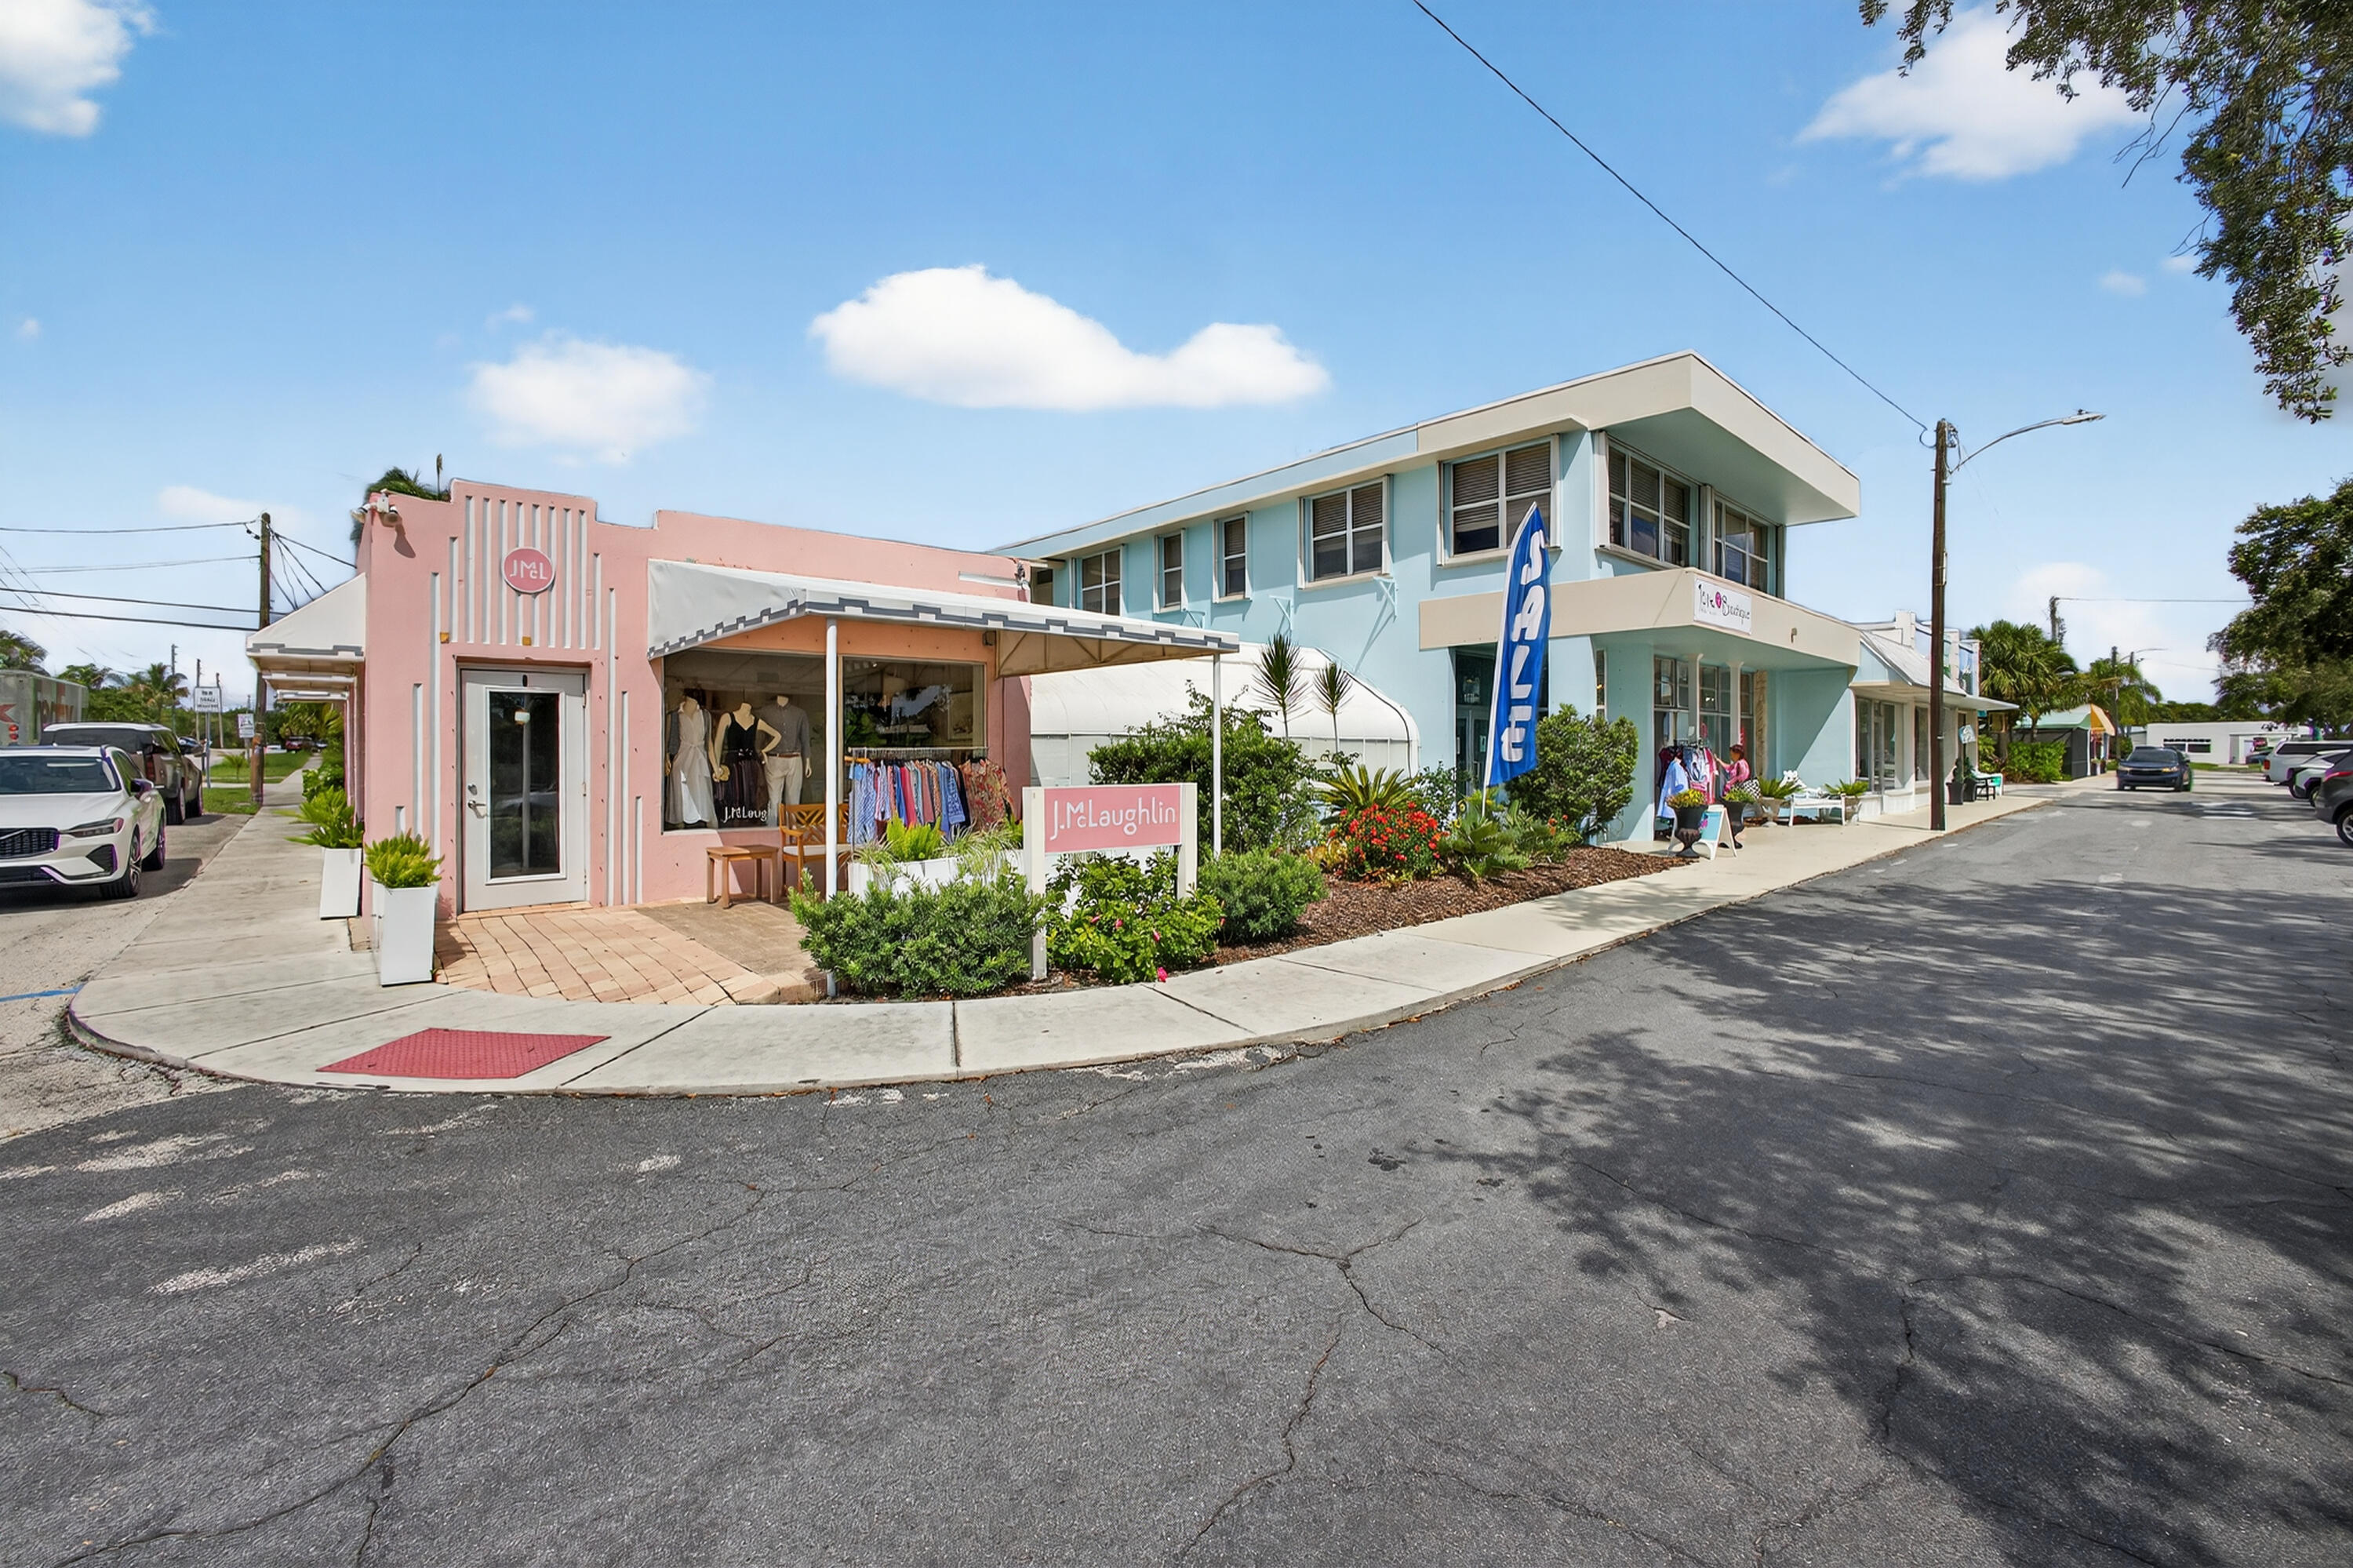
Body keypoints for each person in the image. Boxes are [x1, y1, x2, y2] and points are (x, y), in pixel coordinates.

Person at [1722, 744, 1754, 849]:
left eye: (1732, 754)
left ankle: (1732, 838)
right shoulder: (1739, 763)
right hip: (1735, 792)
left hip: (1735, 793)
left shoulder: (1741, 764)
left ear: (1738, 754)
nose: (1731, 756)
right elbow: (1729, 767)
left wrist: (1730, 783)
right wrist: (1718, 761)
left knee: (1733, 815)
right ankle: (1731, 838)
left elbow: (1740, 777)